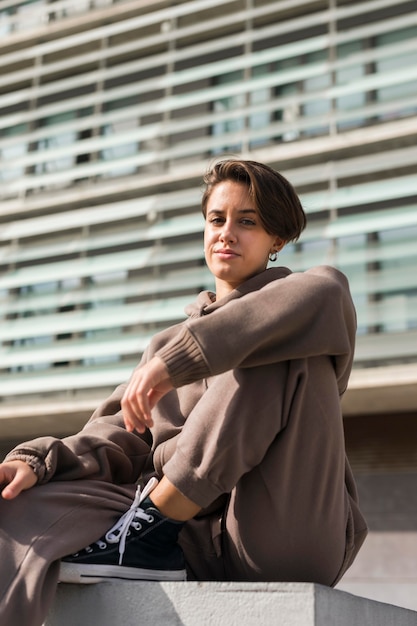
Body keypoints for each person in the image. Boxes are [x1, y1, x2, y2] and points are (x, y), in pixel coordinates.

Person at [0, 159, 367, 626]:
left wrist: (177, 363)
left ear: (277, 240)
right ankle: (144, 533)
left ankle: (153, 521)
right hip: (189, 548)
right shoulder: (164, 344)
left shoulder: (314, 308)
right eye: (217, 219)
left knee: (271, 346)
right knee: (19, 501)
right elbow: (117, 434)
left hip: (281, 535)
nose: (226, 233)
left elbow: (326, 290)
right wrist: (34, 461)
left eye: (247, 222)